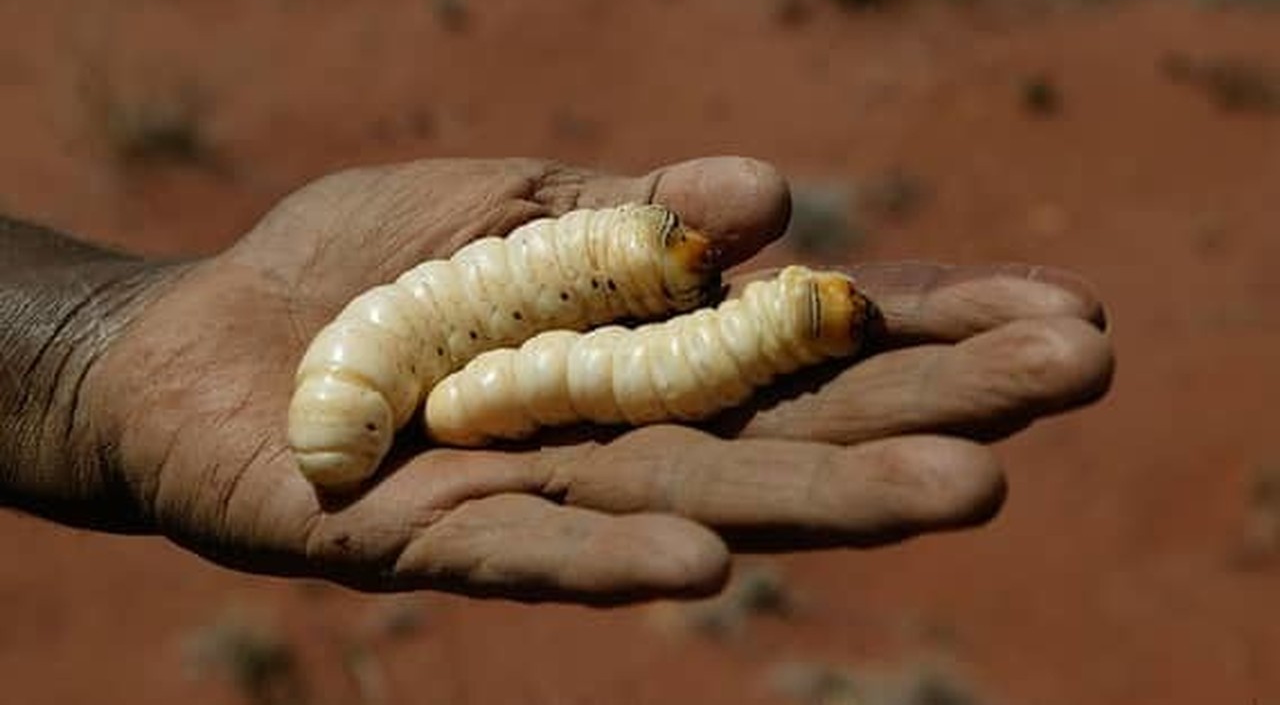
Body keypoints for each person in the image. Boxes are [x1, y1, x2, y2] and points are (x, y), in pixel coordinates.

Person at [0, 156, 1112, 603]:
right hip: (461, 348)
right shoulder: (374, 377)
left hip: (511, 333)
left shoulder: (427, 351)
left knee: (586, 362)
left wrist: (94, 343)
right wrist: (88, 350)